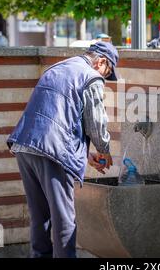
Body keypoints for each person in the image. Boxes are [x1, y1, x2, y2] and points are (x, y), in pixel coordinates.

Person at [7, 41, 118, 258]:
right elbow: (96, 122)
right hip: (52, 153)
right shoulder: (90, 76)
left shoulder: (58, 67)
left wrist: (85, 154)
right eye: (108, 72)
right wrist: (104, 149)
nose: (105, 78)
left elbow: (54, 118)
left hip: (25, 144)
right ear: (101, 62)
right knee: (63, 218)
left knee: (40, 216)